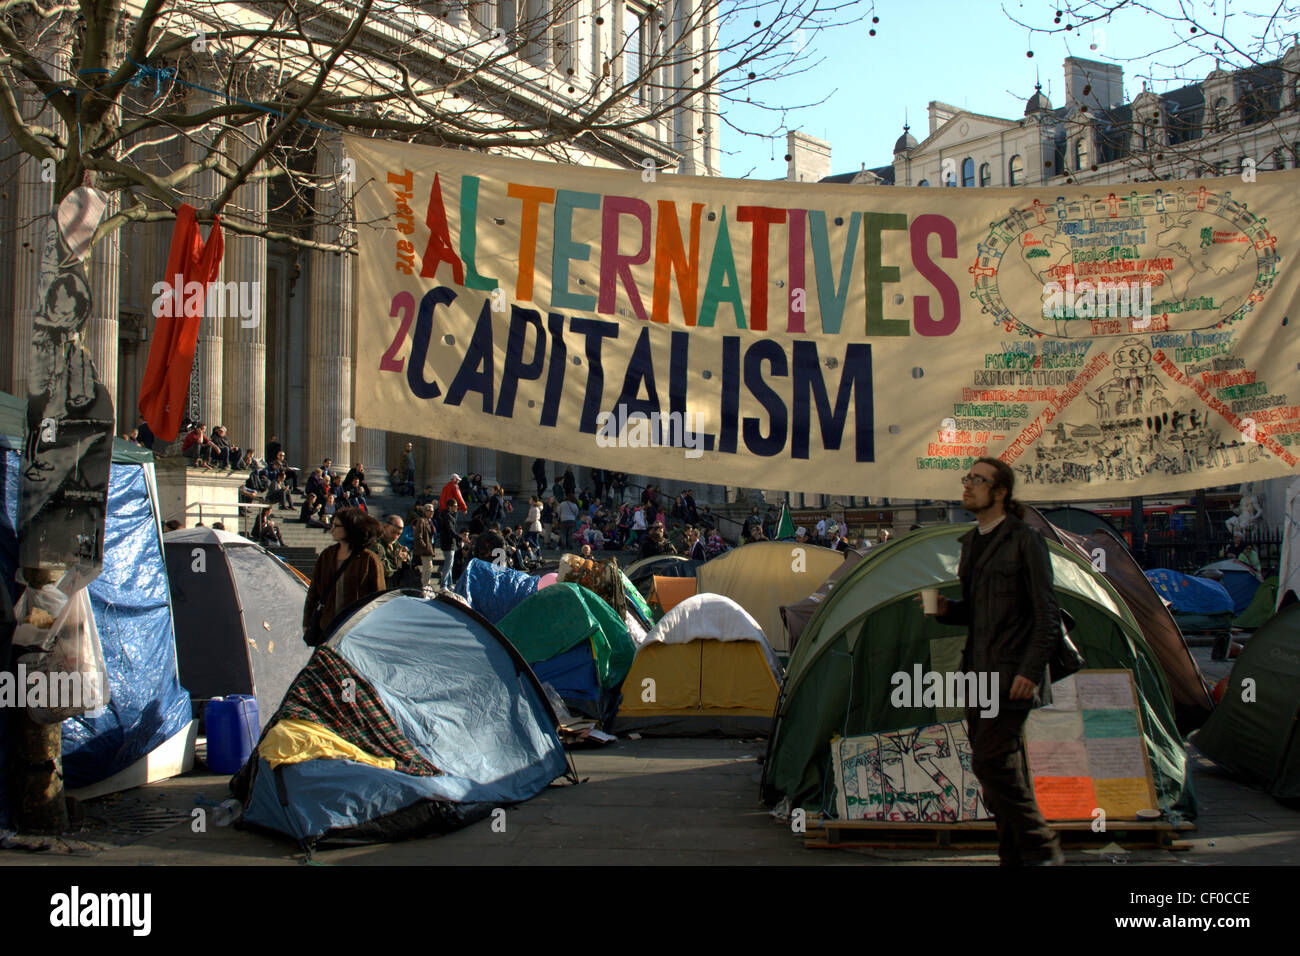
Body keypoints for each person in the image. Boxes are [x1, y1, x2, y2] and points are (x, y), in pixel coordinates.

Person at [924, 457, 1064, 867]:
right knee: (999, 770)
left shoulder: (1025, 540)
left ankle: (1042, 851)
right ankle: (1015, 857)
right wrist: (948, 610)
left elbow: (1047, 614)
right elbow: (979, 613)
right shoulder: (972, 543)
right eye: (967, 478)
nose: (968, 486)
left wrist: (1031, 671)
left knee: (992, 763)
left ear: (1001, 492)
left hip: (1012, 675)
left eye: (978, 480)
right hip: (978, 674)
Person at [303, 507, 385, 640]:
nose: (332, 529)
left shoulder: (369, 559)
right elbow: (313, 593)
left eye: (336, 525)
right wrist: (307, 622)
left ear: (350, 528)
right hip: (327, 629)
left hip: (356, 631)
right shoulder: (327, 555)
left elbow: (378, 599)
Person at [378, 514, 410, 587]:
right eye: (393, 532)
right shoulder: (376, 545)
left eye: (399, 534)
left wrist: (406, 558)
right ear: (384, 527)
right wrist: (398, 559)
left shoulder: (395, 544)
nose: (395, 537)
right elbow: (385, 571)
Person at [412, 502, 436, 588]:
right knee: (428, 567)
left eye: (432, 511)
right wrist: (424, 546)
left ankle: (425, 585)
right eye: (429, 511)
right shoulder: (422, 520)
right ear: (425, 511)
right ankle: (424, 586)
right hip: (425, 549)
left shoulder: (430, 521)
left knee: (429, 567)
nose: (431, 512)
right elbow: (418, 535)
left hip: (430, 546)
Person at [438, 499, 459, 589]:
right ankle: (444, 585)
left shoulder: (448, 515)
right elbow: (451, 530)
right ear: (449, 507)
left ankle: (449, 584)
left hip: (448, 543)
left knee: (450, 565)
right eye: (455, 506)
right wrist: (460, 538)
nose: (456, 508)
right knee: (448, 565)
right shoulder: (447, 516)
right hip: (449, 543)